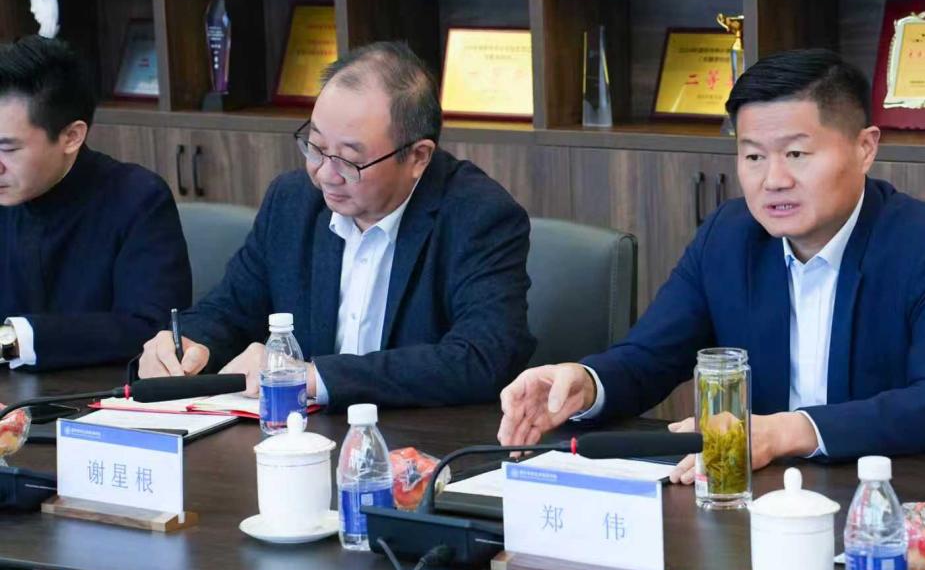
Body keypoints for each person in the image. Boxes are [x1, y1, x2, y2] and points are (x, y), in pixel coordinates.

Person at [498, 49, 925, 478]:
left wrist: (786, 431)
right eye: (753, 157)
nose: (773, 180)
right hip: (758, 498)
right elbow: (650, 357)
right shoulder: (730, 236)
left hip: (892, 502)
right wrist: (585, 383)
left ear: (865, 148)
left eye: (796, 154)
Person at [137, 41, 534, 409]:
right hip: (299, 434)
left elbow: (482, 358)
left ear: (418, 157)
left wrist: (311, 377)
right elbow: (230, 309)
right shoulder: (292, 201)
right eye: (316, 147)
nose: (325, 174)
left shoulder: (479, 216)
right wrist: (188, 343)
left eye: (349, 160)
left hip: (420, 441)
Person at [0, 37, 191, 371]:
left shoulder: (138, 198)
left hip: (98, 395)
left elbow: (152, 329)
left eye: (9, 149)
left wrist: (14, 340)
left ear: (72, 137)